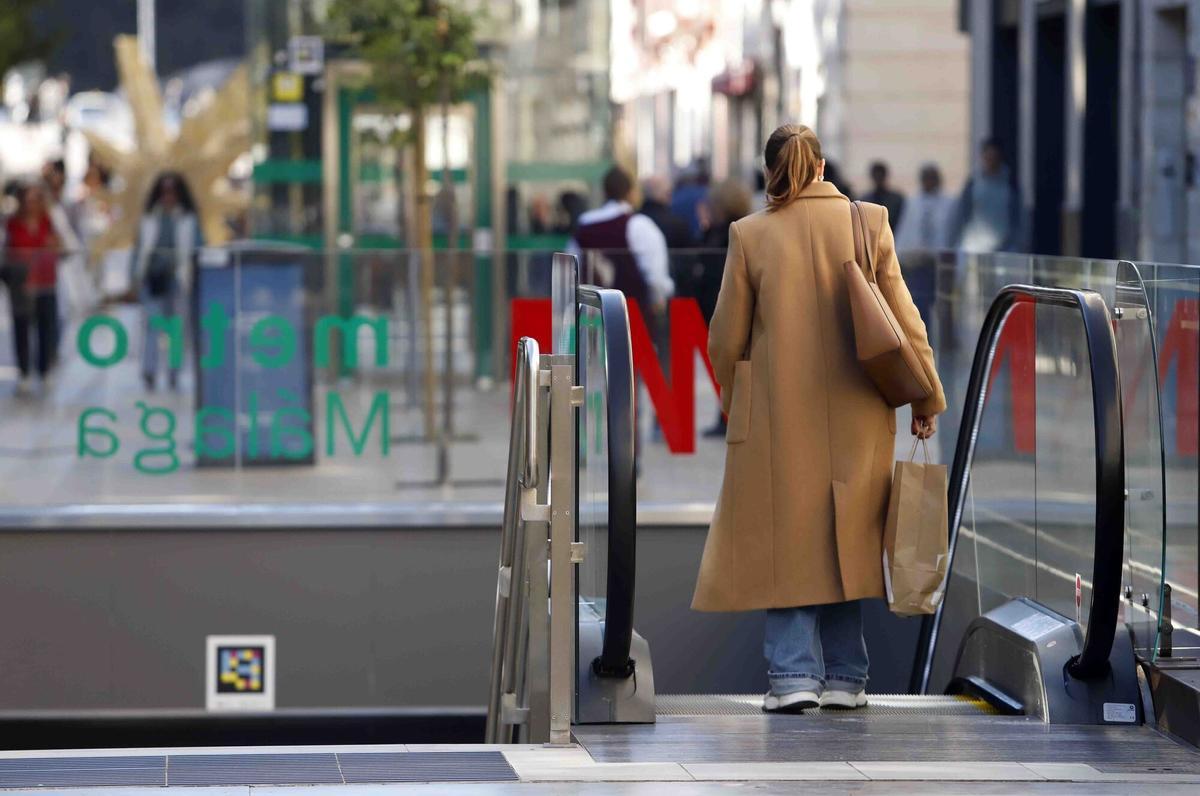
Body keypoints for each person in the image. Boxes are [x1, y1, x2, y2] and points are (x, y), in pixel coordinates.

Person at [692, 124, 946, 713]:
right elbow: (906, 319)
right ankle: (847, 679)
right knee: (846, 538)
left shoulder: (750, 235)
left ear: (770, 171)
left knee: (789, 539)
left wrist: (737, 396)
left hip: (780, 416)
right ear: (824, 165)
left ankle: (792, 678)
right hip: (862, 412)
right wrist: (925, 398)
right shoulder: (868, 221)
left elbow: (726, 338)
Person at [129, 173, 202, 391]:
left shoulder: (188, 220)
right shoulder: (149, 219)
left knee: (177, 329)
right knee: (152, 326)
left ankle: (174, 371)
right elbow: (138, 251)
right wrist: (134, 278)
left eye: (172, 191)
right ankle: (149, 369)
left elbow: (198, 248)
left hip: (178, 281)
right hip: (153, 280)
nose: (168, 196)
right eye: (164, 191)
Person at [567, 166, 672, 315]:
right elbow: (656, 277)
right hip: (631, 314)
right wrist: (658, 302)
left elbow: (571, 270)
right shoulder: (639, 225)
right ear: (631, 193)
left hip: (590, 315)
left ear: (605, 192)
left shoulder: (585, 224)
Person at [697, 179, 752, 438]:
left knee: (729, 363)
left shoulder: (728, 234)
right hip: (726, 306)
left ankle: (729, 416)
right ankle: (728, 415)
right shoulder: (739, 229)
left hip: (723, 307)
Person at [2, 184, 61, 394]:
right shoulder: (12, 223)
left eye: (35, 199)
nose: (31, 204)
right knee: (22, 327)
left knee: (45, 328)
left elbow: (57, 245)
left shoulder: (48, 220)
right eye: (27, 200)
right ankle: (24, 371)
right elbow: (9, 250)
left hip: (45, 281)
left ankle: (43, 370)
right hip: (21, 284)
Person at [954, 138, 1023, 253]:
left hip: (1004, 248)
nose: (991, 161)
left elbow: (1017, 218)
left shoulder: (1011, 184)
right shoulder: (973, 183)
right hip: (973, 246)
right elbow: (963, 214)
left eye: (994, 158)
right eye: (988, 157)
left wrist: (1016, 244)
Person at [862, 160, 906, 229]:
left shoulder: (897, 199)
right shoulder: (864, 200)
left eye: (880, 176)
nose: (878, 179)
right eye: (876, 176)